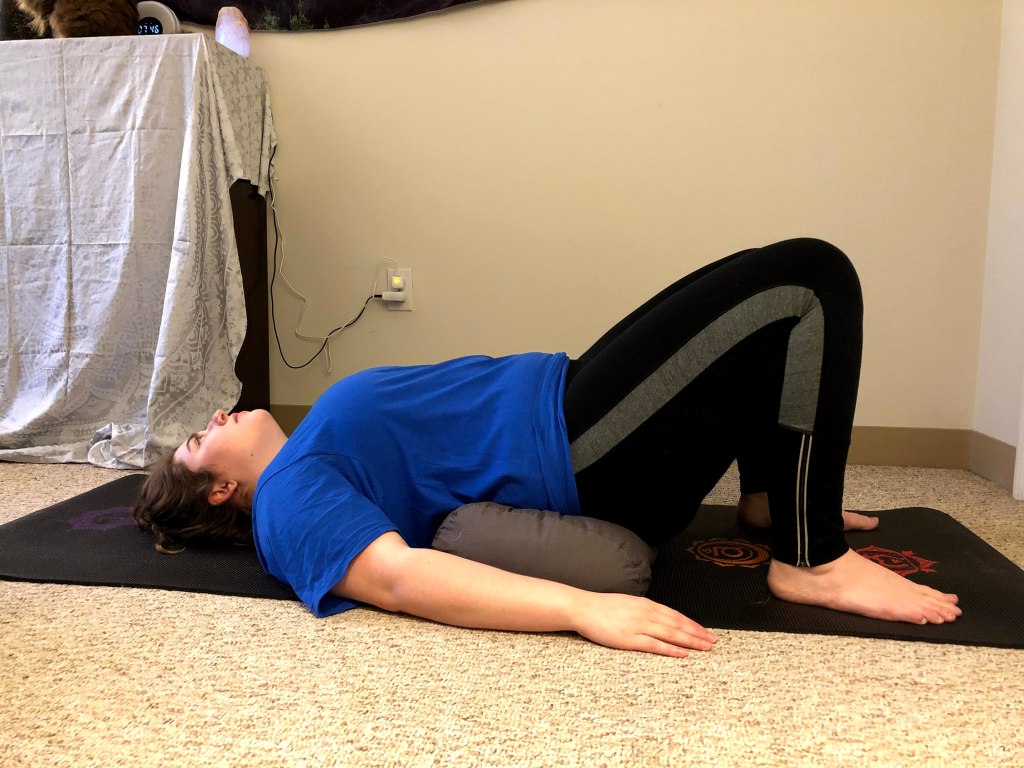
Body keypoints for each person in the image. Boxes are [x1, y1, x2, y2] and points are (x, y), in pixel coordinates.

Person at [132, 238, 961, 657]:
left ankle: (771, 501)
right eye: (201, 440)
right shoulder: (286, 501)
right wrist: (579, 609)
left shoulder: (308, 451)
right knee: (808, 280)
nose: (217, 416)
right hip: (576, 451)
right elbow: (397, 578)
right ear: (217, 491)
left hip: (570, 404)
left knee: (763, 295)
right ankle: (810, 559)